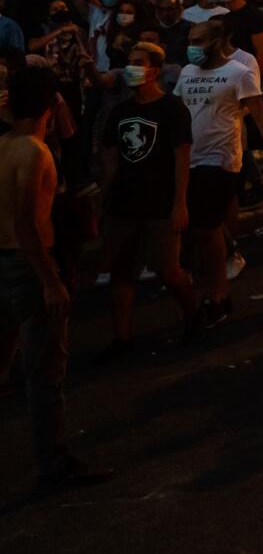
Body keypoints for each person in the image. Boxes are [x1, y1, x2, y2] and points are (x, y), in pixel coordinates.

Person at [0, 68, 109, 489]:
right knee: (44, 376)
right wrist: (50, 280)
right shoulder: (33, 152)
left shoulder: (4, 145)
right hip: (28, 266)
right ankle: (53, 462)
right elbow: (27, 223)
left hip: (5, 264)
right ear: (51, 104)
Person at [94, 42, 202, 359]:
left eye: (139, 62)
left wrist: (180, 203)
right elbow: (111, 158)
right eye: (129, 62)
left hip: (161, 202)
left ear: (154, 69)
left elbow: (182, 157)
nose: (132, 68)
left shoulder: (172, 109)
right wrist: (104, 199)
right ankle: (122, 338)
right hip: (125, 203)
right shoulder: (121, 111)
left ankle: (193, 314)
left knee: (168, 269)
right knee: (122, 271)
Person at [179, 21, 263, 327]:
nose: (193, 46)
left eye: (199, 41)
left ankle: (218, 295)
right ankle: (213, 289)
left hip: (221, 160)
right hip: (190, 159)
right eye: (190, 40)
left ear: (216, 42)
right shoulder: (187, 74)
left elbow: (262, 119)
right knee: (201, 231)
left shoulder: (238, 73)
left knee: (207, 227)